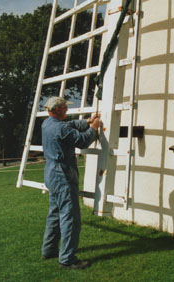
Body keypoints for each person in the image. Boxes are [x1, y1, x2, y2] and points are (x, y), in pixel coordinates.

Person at [41, 96, 102, 269]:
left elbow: (71, 126)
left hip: (51, 175)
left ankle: (49, 250)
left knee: (54, 214)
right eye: (64, 108)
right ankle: (67, 259)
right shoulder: (60, 128)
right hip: (62, 175)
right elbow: (81, 140)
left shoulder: (47, 124)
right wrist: (94, 128)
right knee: (70, 218)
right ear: (58, 110)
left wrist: (87, 121)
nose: (67, 110)